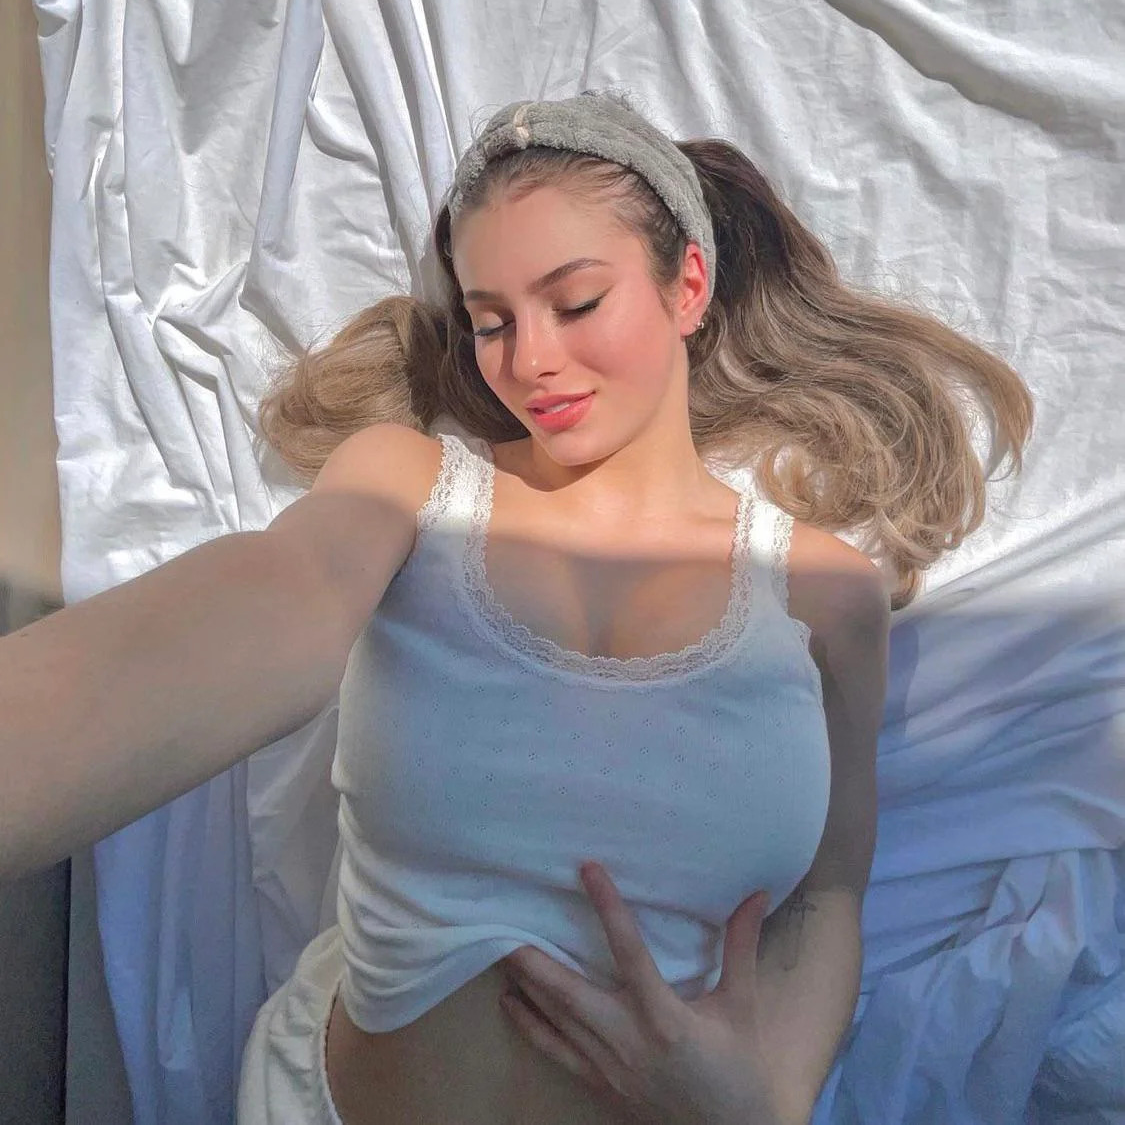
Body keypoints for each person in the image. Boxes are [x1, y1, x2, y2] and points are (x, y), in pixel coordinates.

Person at [0, 89, 1034, 1125]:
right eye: (491, 321)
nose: (528, 359)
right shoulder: (411, 486)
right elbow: (280, 600)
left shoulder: (825, 592)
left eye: (575, 303)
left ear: (688, 285)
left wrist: (757, 1103)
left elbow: (826, 895)